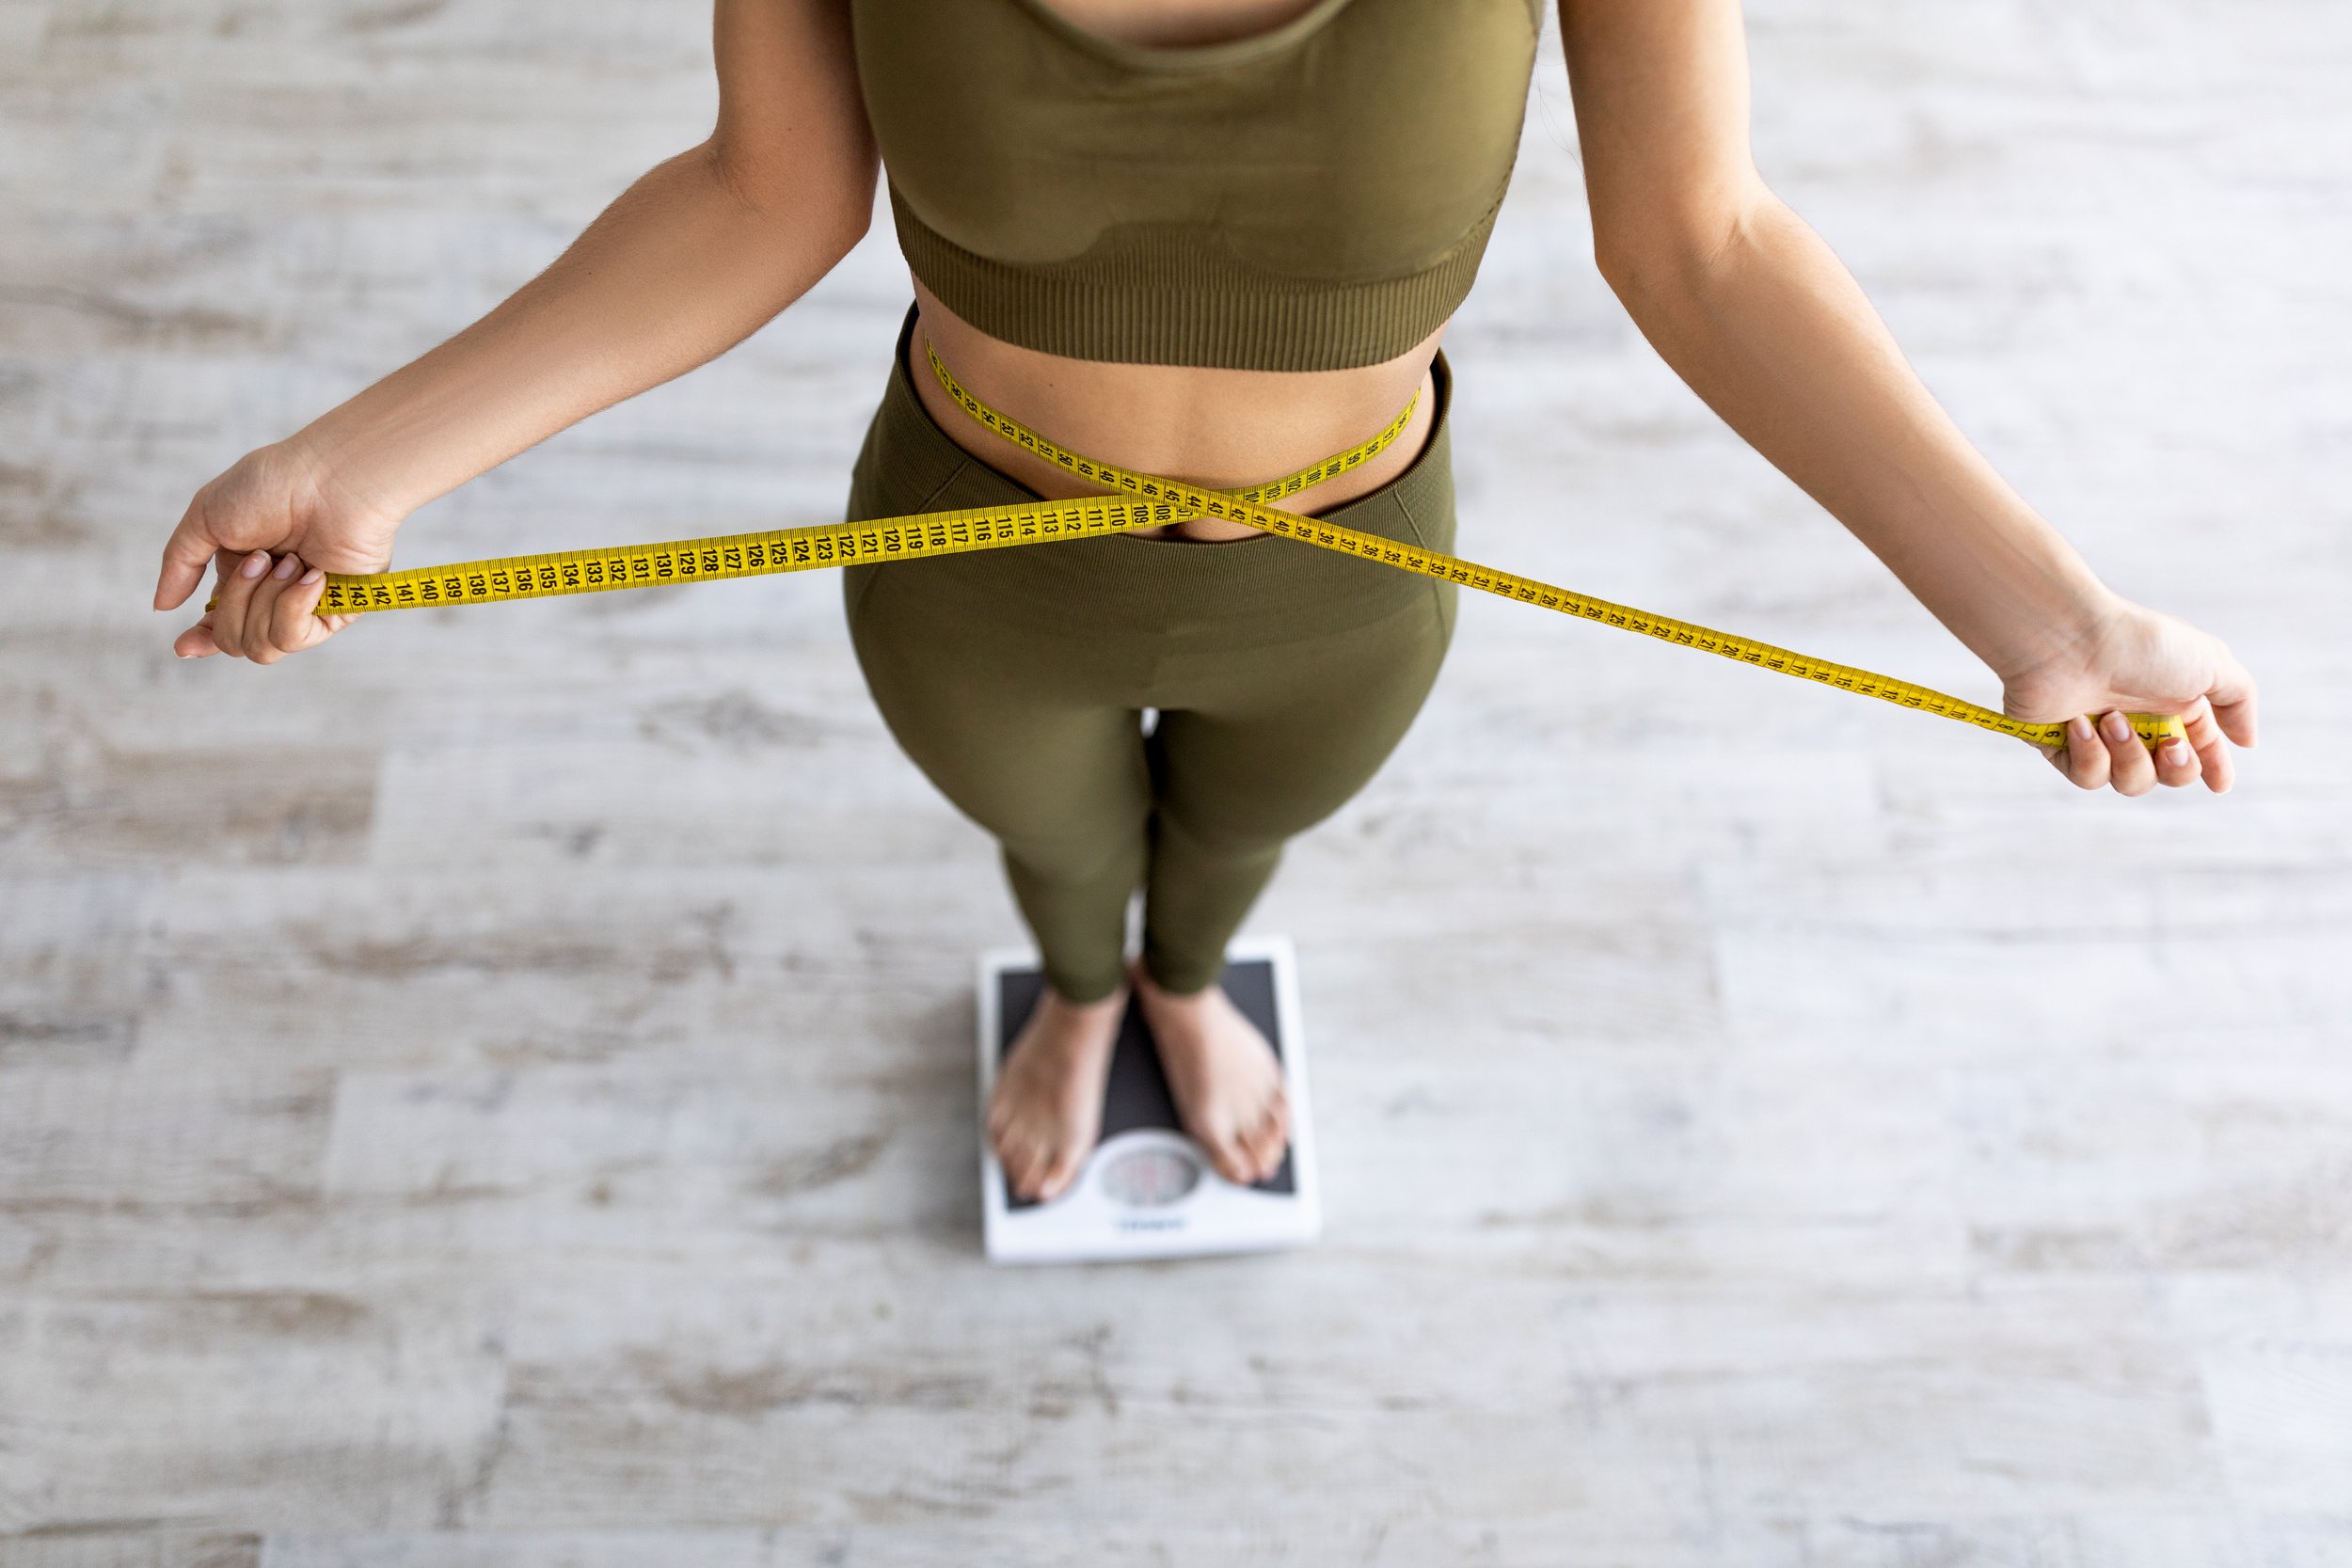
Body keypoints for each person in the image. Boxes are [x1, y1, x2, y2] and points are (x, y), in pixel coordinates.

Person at [153, 0, 2259, 1204]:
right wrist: (358, 468)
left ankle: (1182, 980)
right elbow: (760, 193)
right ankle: (1088, 993)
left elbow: (1697, 240)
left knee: (1234, 850)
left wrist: (2047, 614)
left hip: (1349, 571)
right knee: (1049, 851)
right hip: (963, 563)